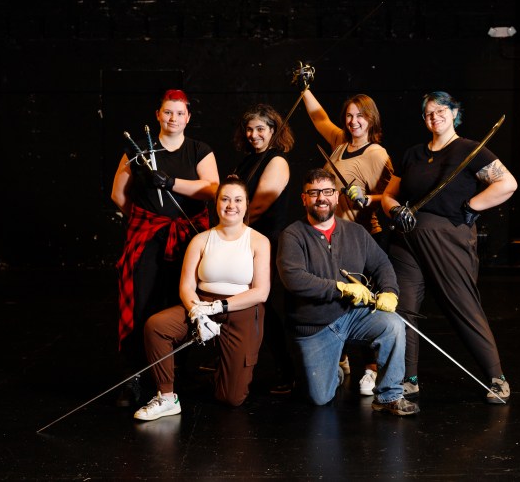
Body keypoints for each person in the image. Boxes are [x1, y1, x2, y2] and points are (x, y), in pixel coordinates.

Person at [381, 91, 518, 404]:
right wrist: (395, 210)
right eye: (429, 112)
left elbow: (507, 184)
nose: (436, 116)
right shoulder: (413, 154)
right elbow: (389, 195)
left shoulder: (470, 150)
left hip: (446, 239)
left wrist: (471, 206)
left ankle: (497, 378)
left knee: (463, 306)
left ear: (455, 113)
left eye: (442, 109)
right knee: (403, 310)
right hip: (406, 240)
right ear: (424, 119)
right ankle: (408, 378)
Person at [276, 168, 418, 416]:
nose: (321, 198)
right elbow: (294, 279)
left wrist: (389, 291)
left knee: (393, 324)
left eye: (327, 191)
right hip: (315, 327)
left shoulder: (356, 232)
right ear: (304, 198)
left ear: (336, 196)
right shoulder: (292, 235)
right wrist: (340, 288)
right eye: (314, 193)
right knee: (320, 398)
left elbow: (382, 265)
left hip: (352, 316)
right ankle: (336, 371)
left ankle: (389, 396)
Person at [111, 89, 219, 406]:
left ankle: (177, 371)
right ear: (158, 115)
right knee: (140, 303)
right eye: (168, 112)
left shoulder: (199, 150)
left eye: (179, 113)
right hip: (148, 237)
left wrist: (171, 182)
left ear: (188, 117)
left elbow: (212, 189)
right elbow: (118, 194)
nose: (173, 118)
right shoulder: (139, 149)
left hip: (188, 239)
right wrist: (149, 220)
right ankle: (133, 376)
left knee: (181, 301)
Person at [133, 176, 271, 420]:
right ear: (216, 203)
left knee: (231, 398)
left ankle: (223, 372)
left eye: (238, 200)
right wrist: (197, 312)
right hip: (202, 305)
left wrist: (219, 306)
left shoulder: (259, 241)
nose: (231, 205)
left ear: (247, 204)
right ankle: (167, 397)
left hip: (241, 309)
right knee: (156, 326)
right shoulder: (200, 239)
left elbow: (261, 292)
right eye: (225, 199)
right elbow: (186, 286)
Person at [301, 87, 395, 396]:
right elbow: (319, 119)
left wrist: (368, 198)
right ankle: (341, 357)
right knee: (338, 297)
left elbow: (392, 197)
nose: (354, 121)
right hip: (334, 235)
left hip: (364, 236)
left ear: (372, 119)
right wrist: (304, 89)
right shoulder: (340, 143)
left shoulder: (376, 154)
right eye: (349, 116)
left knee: (367, 303)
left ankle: (371, 368)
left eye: (360, 116)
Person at [233, 104, 296, 394]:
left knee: (263, 307)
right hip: (244, 238)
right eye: (249, 129)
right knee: (240, 300)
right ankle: (233, 359)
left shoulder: (277, 161)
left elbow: (256, 207)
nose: (254, 134)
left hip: (265, 242)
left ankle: (287, 372)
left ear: (273, 131)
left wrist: (229, 232)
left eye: (260, 128)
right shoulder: (247, 162)